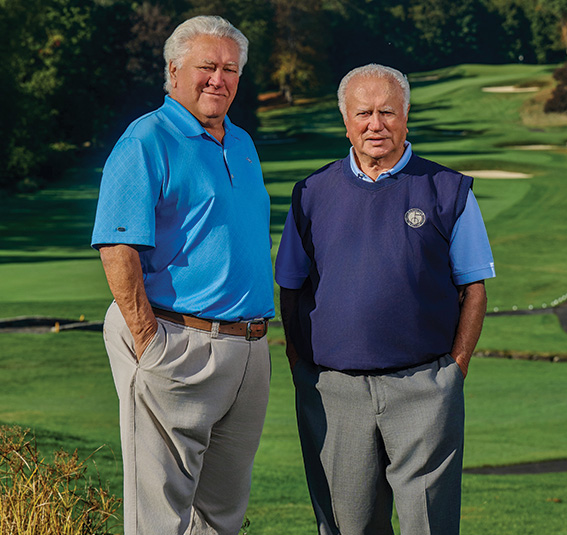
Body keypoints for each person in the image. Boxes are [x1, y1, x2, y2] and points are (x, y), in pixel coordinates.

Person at [275, 64, 496, 534]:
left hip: (424, 387)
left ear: (406, 116)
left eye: (387, 112)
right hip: (334, 391)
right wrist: (299, 364)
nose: (375, 124)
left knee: (428, 526)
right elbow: (290, 288)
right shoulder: (310, 193)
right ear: (346, 121)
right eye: (363, 113)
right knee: (348, 526)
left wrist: (455, 369)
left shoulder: (448, 190)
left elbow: (473, 288)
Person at [91, 15, 273, 535]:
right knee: (159, 517)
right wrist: (149, 340)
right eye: (206, 66)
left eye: (230, 69)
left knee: (221, 517)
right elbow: (117, 247)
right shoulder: (146, 139)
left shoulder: (241, 142)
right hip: (178, 340)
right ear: (174, 71)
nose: (219, 79)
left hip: (248, 348)